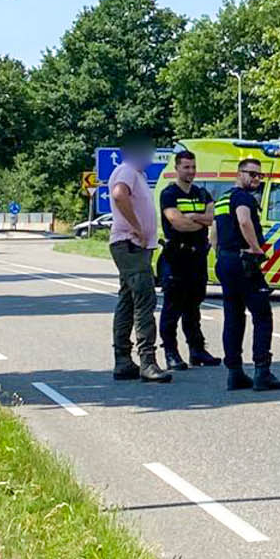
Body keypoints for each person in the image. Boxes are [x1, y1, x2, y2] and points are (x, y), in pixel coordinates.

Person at [212, 157, 280, 391]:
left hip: (226, 260)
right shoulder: (243, 198)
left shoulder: (223, 198)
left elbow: (214, 232)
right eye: (252, 174)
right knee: (262, 315)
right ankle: (262, 371)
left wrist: (220, 253)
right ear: (239, 173)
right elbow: (244, 221)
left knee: (233, 316)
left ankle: (234, 373)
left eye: (259, 175)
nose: (256, 179)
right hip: (243, 261)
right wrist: (255, 248)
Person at [107, 138, 169, 383]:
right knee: (144, 299)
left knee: (127, 300)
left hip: (133, 245)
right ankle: (147, 361)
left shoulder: (135, 174)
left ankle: (123, 360)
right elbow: (119, 194)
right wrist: (137, 227)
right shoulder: (127, 171)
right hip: (131, 244)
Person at [157, 148, 220, 372]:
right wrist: (198, 222)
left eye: (193, 167)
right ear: (177, 168)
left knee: (194, 306)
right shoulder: (169, 194)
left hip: (197, 256)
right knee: (172, 308)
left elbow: (213, 218)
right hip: (176, 256)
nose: (191, 171)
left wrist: (194, 218)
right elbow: (178, 223)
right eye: (186, 167)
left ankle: (197, 349)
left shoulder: (202, 193)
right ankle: (171, 352)